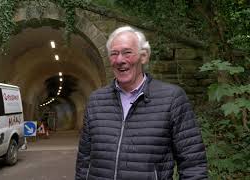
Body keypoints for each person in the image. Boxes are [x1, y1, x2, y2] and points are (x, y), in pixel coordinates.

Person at [75, 26, 207, 180]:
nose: (119, 60)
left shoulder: (172, 99)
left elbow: (193, 164)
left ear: (143, 56)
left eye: (127, 52)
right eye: (114, 54)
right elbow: (84, 160)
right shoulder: (96, 101)